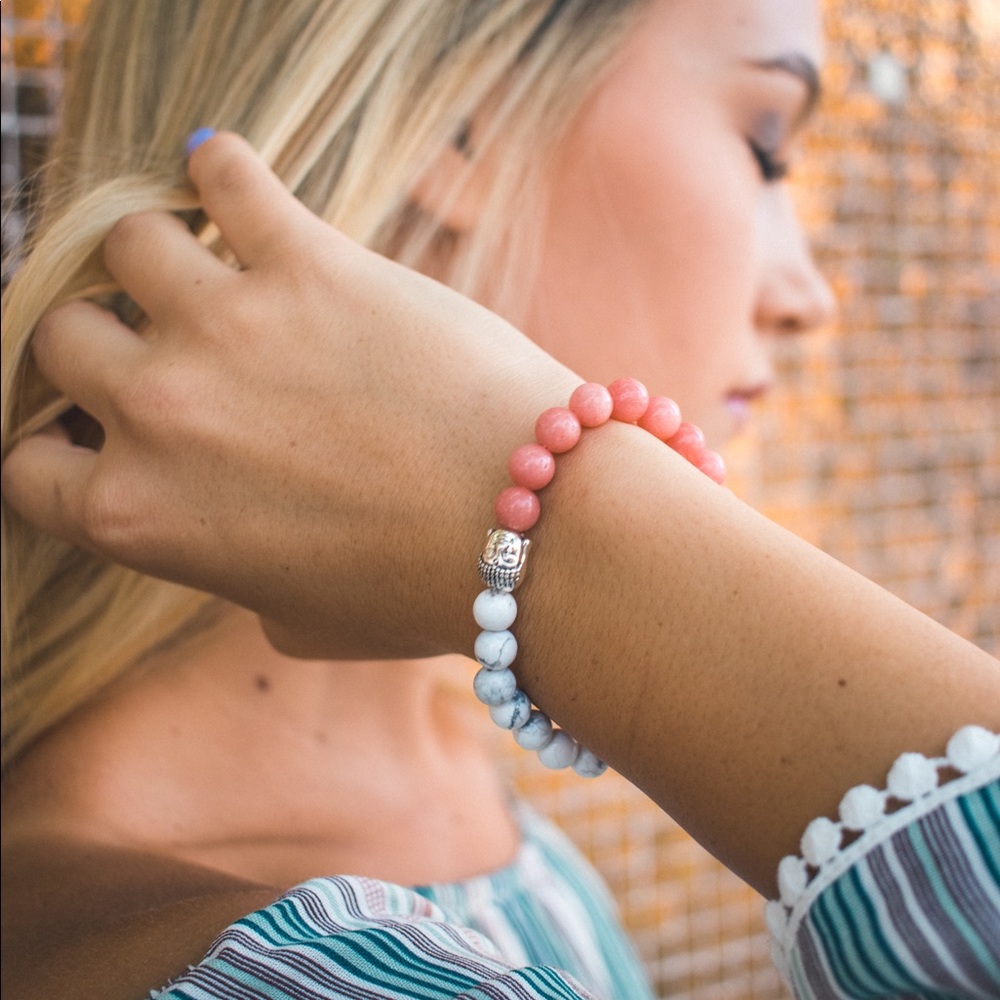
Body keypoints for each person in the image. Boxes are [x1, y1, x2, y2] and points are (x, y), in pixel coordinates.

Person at [1, 3, 997, 1000]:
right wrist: (558, 527)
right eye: (766, 146)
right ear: (458, 124)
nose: (809, 296)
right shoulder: (276, 974)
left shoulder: (464, 760)